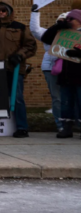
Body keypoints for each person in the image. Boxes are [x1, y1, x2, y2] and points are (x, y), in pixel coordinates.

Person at [0, 1, 37, 138]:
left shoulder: (20, 28)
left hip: (14, 69)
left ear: (9, 12)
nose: (1, 13)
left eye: (4, 11)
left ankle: (22, 127)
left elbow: (30, 45)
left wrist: (19, 56)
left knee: (17, 99)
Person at [40, 9, 81, 138]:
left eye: (71, 19)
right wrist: (57, 25)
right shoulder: (63, 33)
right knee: (65, 102)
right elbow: (45, 38)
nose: (68, 21)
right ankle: (66, 128)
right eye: (67, 19)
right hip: (66, 74)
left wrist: (78, 53)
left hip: (80, 75)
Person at [30, 4, 67, 133]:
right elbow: (35, 30)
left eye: (65, 22)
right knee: (57, 97)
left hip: (70, 69)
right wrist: (35, 13)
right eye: (59, 22)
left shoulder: (75, 35)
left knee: (72, 97)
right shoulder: (49, 34)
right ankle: (60, 125)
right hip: (51, 68)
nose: (62, 24)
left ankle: (72, 122)